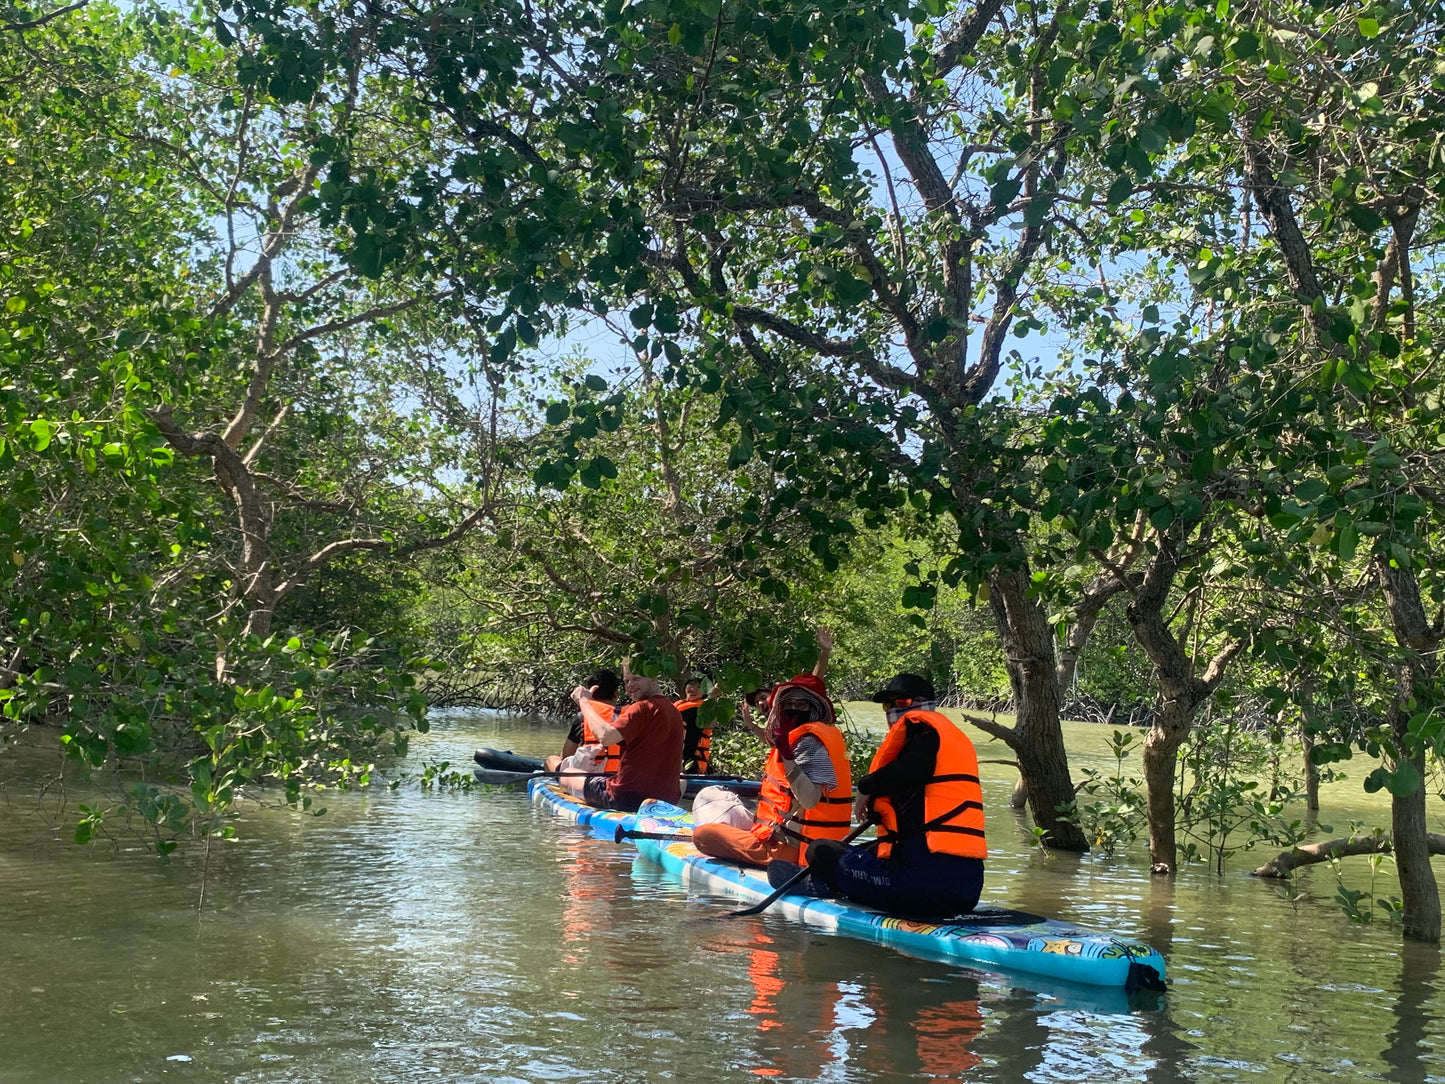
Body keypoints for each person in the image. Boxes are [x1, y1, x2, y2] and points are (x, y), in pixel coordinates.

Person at [801, 673, 985, 918]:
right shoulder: (952, 741)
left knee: (820, 850)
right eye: (888, 705)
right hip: (967, 892)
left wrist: (866, 788)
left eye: (902, 703)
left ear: (922, 703)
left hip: (915, 890)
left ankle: (822, 883)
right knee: (871, 849)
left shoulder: (923, 734)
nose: (893, 712)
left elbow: (912, 768)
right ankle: (843, 880)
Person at [692, 677, 853, 869]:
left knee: (702, 836)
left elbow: (810, 800)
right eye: (788, 704)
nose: (793, 709)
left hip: (793, 851)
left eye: (800, 705)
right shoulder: (805, 736)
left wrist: (787, 755)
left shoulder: (809, 742)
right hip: (809, 845)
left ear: (814, 709)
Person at [547, 661, 685, 810]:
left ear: (654, 678)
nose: (630, 685)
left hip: (625, 797)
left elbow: (605, 737)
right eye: (626, 681)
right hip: (667, 799)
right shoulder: (674, 712)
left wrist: (583, 701)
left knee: (568, 773)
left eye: (636, 678)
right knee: (682, 781)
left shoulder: (642, 707)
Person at [557, 668, 621, 777]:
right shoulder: (627, 715)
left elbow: (566, 755)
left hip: (589, 779)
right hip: (618, 777)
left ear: (590, 693)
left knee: (552, 760)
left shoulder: (582, 717)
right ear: (616, 693)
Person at [674, 678, 711, 775]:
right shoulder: (679, 704)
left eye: (699, 687)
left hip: (693, 760)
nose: (693, 689)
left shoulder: (701, 708)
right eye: (691, 684)